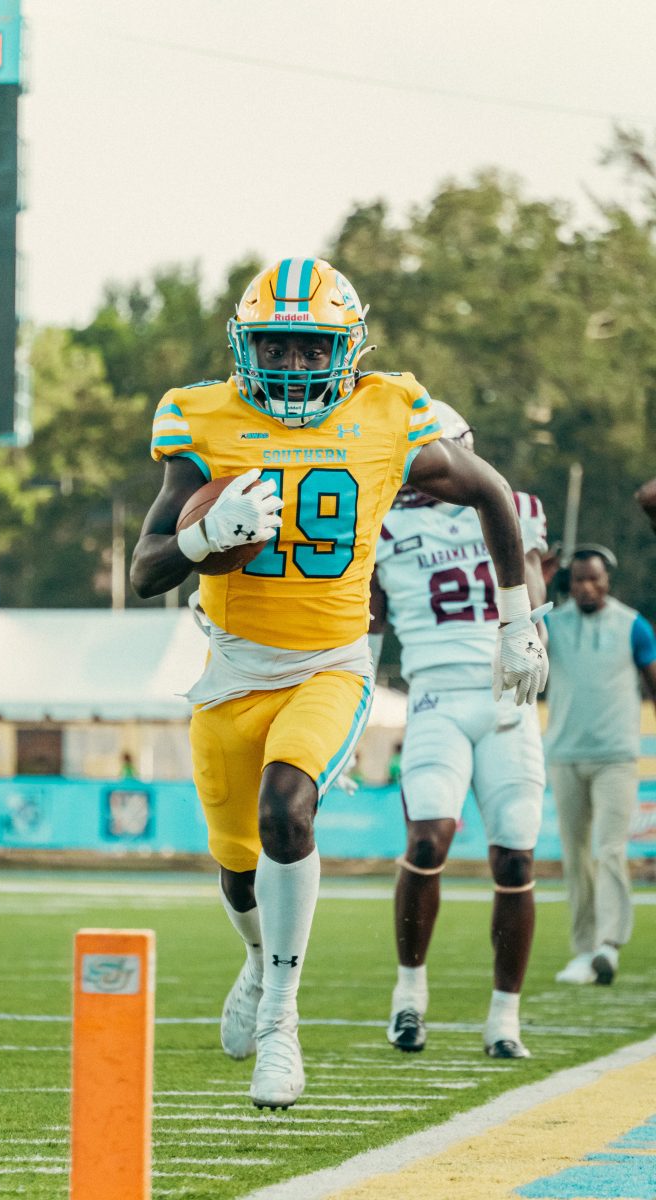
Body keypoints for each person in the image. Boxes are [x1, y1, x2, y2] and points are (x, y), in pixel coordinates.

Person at [130, 257, 549, 1110]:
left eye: (307, 348)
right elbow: (146, 571)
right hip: (232, 671)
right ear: (247, 348)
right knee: (238, 868)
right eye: (274, 348)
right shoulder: (201, 417)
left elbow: (492, 492)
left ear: (347, 351)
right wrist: (206, 543)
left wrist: (517, 622)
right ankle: (257, 963)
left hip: (330, 666)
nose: (288, 365)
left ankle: (282, 1026)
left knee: (289, 807)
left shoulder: (387, 411)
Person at [370, 400, 549, 1059]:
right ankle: (409, 996)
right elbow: (367, 624)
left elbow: (527, 574)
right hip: (436, 698)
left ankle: (505, 1017)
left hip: (507, 701)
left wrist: (527, 630)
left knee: (517, 856)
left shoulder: (510, 506)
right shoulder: (380, 528)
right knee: (428, 840)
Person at [546, 548, 656, 985]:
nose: (587, 587)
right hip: (565, 754)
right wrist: (540, 576)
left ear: (607, 579)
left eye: (594, 579)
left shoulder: (634, 626)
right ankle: (584, 949)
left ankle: (609, 945)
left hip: (616, 756)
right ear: (569, 584)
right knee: (576, 858)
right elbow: (515, 631)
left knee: (608, 849)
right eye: (577, 581)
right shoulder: (551, 623)